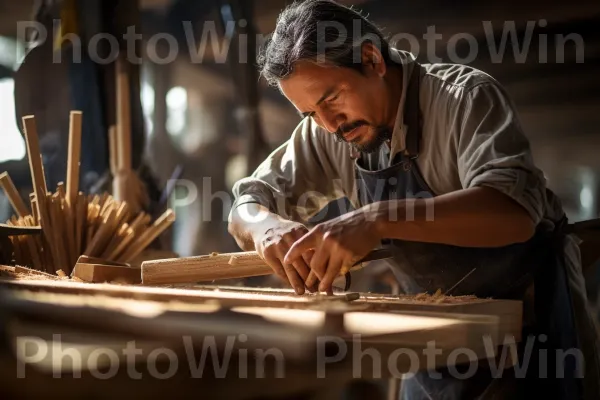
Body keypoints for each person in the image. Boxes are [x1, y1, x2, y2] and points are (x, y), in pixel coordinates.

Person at [228, 1, 600, 398]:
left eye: (331, 100)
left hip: (531, 336)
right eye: (310, 114)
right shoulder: (325, 130)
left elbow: (512, 211)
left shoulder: (465, 99)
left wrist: (376, 219)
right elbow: (247, 201)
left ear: (371, 59)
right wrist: (266, 228)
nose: (330, 125)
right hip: (432, 344)